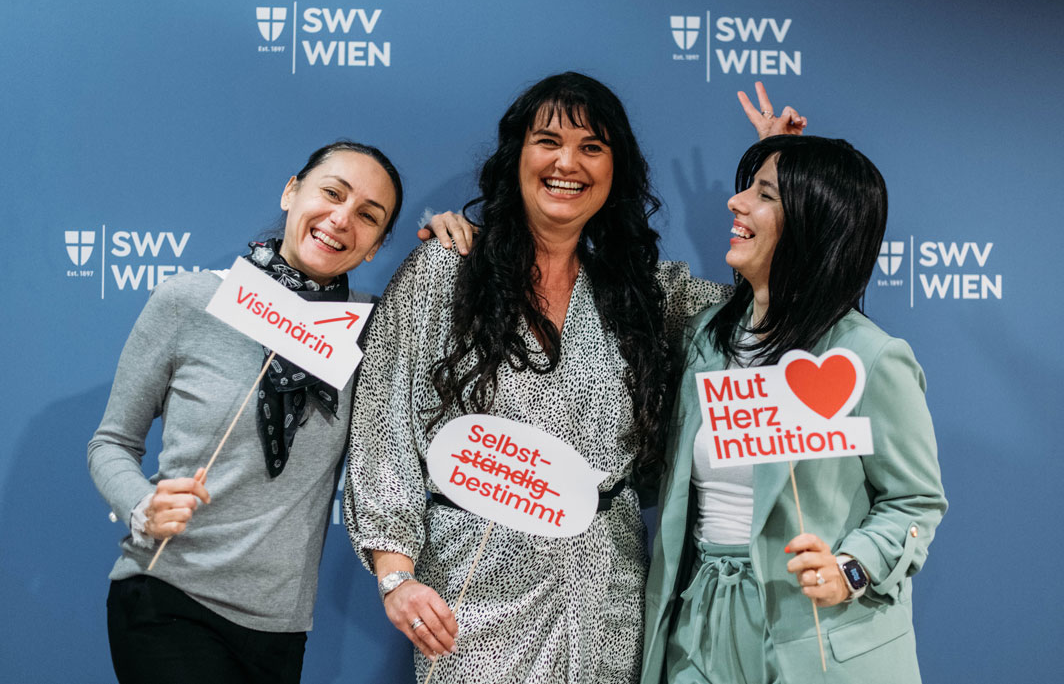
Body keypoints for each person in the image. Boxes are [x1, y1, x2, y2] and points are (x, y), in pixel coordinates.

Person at [341, 73, 802, 684]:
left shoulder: (646, 294)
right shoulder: (446, 270)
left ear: (616, 170)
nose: (568, 163)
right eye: (548, 141)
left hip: (607, 597)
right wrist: (396, 576)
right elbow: (384, 425)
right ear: (517, 157)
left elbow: (760, 312)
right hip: (473, 594)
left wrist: (782, 180)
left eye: (592, 147)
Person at [88, 140, 472, 684]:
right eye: (332, 193)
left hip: (279, 629)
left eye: (368, 215)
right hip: (168, 595)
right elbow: (110, 443)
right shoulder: (190, 299)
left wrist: (458, 242)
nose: (342, 219)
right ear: (292, 191)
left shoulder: (373, 331)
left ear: (376, 246)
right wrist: (141, 505)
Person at [641, 136, 947, 683]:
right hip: (700, 627)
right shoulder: (704, 338)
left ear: (813, 225)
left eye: (764, 195)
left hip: (816, 638)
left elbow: (915, 501)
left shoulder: (870, 357)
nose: (735, 202)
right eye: (749, 188)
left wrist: (851, 569)